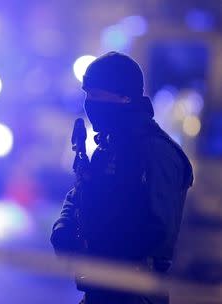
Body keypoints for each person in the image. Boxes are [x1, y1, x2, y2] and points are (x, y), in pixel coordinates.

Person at [50, 52, 194, 304]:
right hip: (101, 288)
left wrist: (99, 245)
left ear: (124, 97)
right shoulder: (109, 146)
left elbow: (156, 231)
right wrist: (65, 226)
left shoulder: (156, 152)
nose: (89, 103)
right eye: (87, 94)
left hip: (133, 292)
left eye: (96, 94)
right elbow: (82, 191)